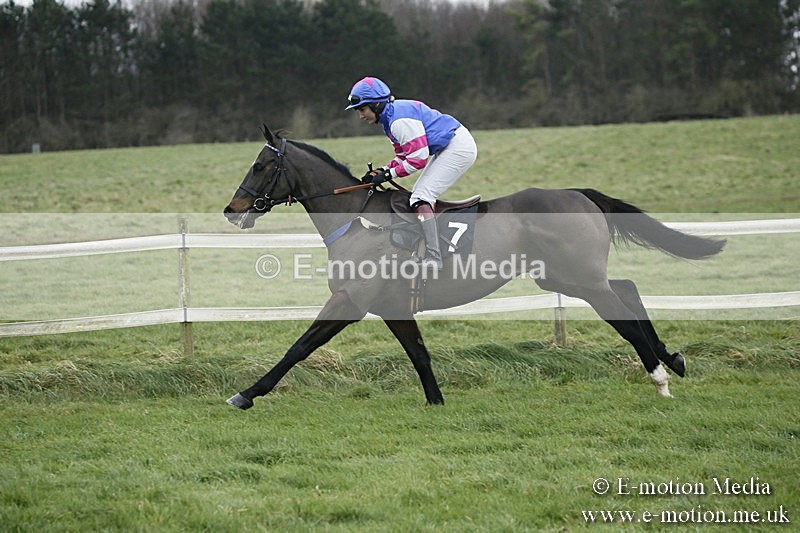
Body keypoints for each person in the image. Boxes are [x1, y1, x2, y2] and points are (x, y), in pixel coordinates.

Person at [345, 76, 477, 270]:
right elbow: (403, 157)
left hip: (458, 147)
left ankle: (434, 257)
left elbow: (418, 160)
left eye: (362, 109)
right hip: (449, 145)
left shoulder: (398, 122)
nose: (360, 116)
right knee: (420, 195)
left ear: (376, 104)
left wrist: (388, 175)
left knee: (421, 196)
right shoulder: (389, 119)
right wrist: (382, 171)